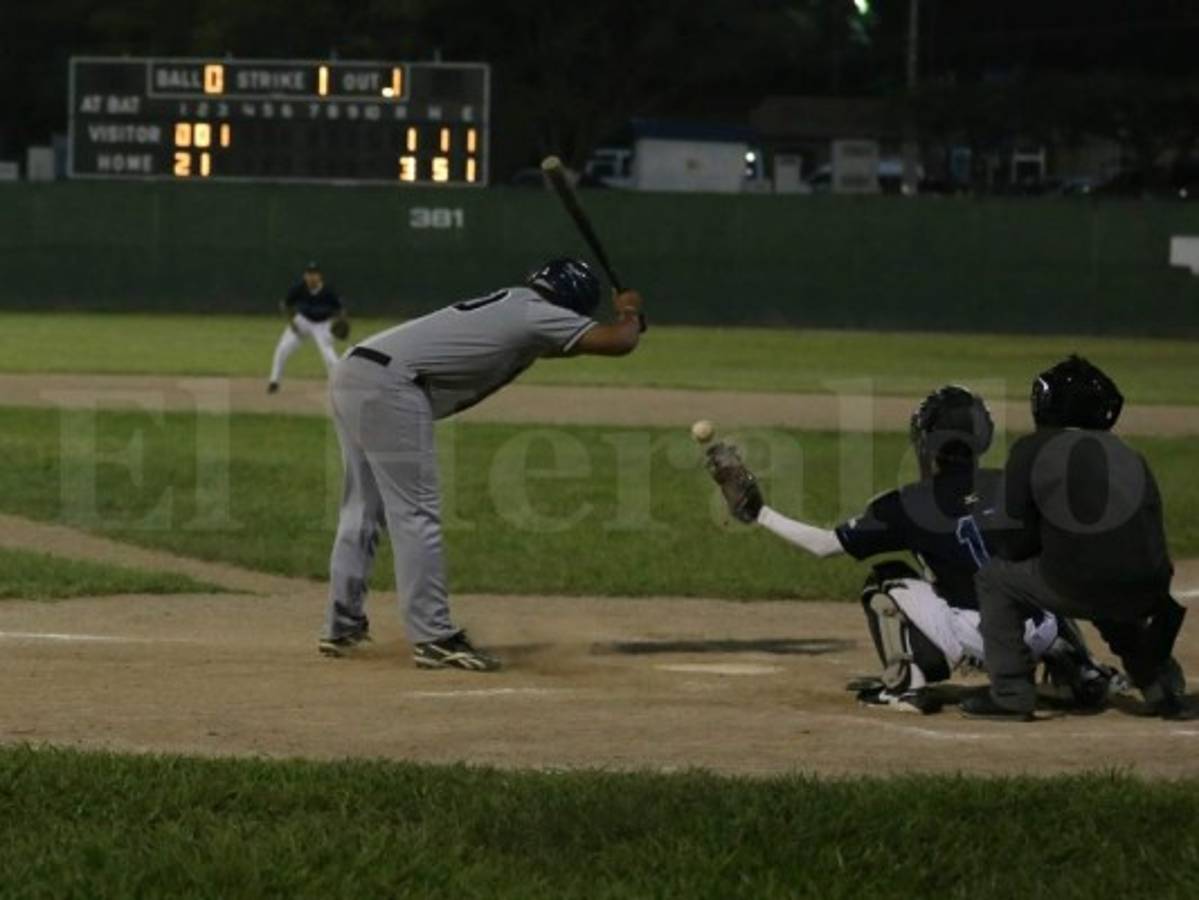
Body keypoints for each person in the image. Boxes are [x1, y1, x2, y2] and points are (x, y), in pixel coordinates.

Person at [705, 385, 1114, 715]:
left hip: (979, 639)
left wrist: (760, 514)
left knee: (885, 578)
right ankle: (1080, 666)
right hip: (1040, 629)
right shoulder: (1016, 483)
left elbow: (825, 546)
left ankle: (906, 685)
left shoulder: (909, 502)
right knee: (1042, 565)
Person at [321, 258, 644, 670]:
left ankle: (342, 627)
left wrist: (624, 324)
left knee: (362, 509)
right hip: (392, 386)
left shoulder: (518, 305)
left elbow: (569, 346)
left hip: (357, 372)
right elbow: (618, 342)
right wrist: (630, 311)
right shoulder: (537, 314)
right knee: (415, 513)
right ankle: (433, 636)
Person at [964, 355, 1190, 721]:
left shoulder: (1033, 447)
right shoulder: (1130, 454)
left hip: (1081, 582)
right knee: (1111, 596)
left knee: (996, 578)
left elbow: (1014, 542)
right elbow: (1147, 534)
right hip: (1150, 589)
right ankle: (1159, 688)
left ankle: (1010, 693)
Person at [267, 261, 348, 393]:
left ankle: (337, 385)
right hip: (302, 321)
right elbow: (285, 304)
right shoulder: (299, 288)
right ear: (305, 276)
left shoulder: (328, 291)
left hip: (322, 324)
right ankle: (274, 381)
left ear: (320, 276)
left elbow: (341, 308)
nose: (311, 277)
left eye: (314, 274)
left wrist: (341, 320)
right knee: (282, 349)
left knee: (329, 356)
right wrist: (292, 323)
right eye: (309, 274)